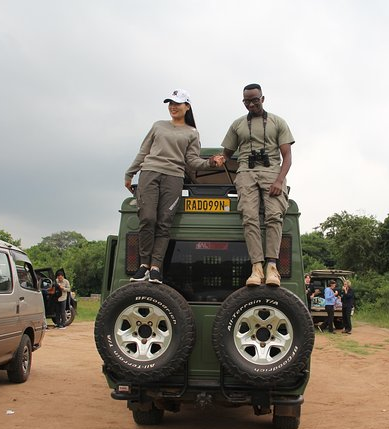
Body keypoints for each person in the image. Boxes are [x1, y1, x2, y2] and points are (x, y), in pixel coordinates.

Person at [125, 89, 221, 284]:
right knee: (147, 218)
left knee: (164, 223)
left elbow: (192, 161)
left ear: (187, 107)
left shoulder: (192, 133)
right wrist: (130, 172)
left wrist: (210, 163)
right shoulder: (158, 126)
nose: (173, 106)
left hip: (174, 177)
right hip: (150, 172)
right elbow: (143, 151)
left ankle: (155, 268)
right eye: (170, 103)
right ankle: (144, 265)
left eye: (177, 103)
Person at [212, 83, 295, 287]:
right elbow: (227, 153)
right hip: (246, 172)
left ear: (262, 99)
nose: (251, 104)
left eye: (255, 100)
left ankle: (272, 267)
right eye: (247, 101)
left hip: (272, 172)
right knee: (249, 218)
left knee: (274, 216)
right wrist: (218, 159)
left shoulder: (278, 122)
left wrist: (279, 180)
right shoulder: (238, 124)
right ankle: (256, 267)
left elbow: (287, 156)